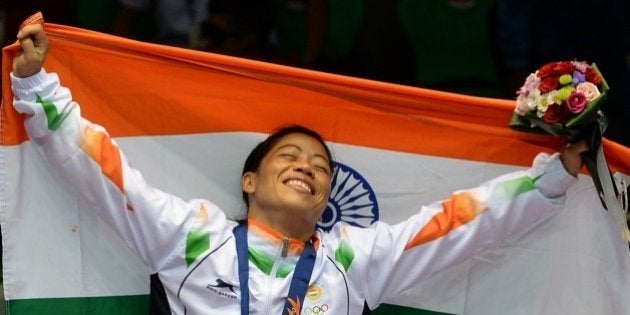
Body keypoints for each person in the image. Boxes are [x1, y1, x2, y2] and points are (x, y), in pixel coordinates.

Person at [12, 23, 589, 314]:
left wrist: (555, 175)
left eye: (320, 167)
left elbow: (458, 225)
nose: (306, 168)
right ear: (249, 180)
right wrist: (37, 85)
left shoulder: (353, 259)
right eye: (289, 156)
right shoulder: (193, 237)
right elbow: (104, 174)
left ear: (326, 199)